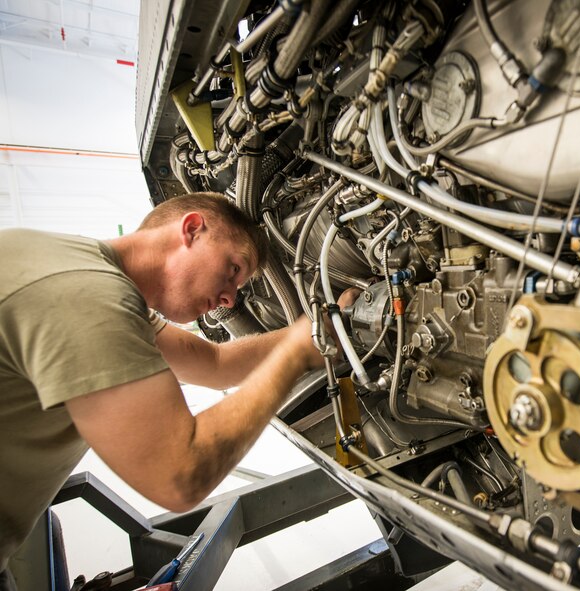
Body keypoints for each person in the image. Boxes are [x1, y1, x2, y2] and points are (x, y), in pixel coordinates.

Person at [0, 192, 355, 589]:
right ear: (191, 229)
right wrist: (293, 355)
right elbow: (181, 474)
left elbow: (214, 365)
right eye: (232, 268)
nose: (229, 298)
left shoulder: (88, 274)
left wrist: (311, 331)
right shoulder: (86, 293)